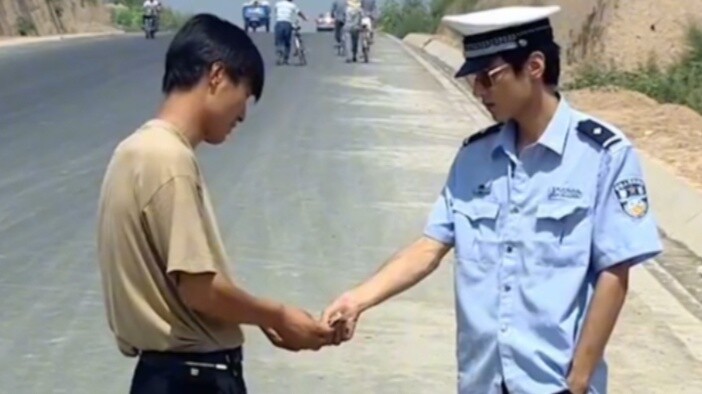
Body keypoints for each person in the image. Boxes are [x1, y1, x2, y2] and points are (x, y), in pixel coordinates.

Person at [321, 5, 663, 394]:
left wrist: (580, 379)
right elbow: (429, 247)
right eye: (472, 78)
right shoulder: (474, 158)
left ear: (534, 67)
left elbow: (614, 271)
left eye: (488, 77)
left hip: (554, 384)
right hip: (483, 380)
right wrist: (358, 300)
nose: (478, 91)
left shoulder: (603, 154)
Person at [96, 13, 333, 394]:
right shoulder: (169, 159)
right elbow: (199, 290)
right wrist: (277, 316)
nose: (242, 114)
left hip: (159, 374)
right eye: (246, 96)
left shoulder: (132, 151)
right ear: (218, 76)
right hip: (193, 378)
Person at [273, 0, 307, 65]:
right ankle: (286, 58)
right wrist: (305, 18)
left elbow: (276, 11)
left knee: (279, 41)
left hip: (279, 23)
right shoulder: (292, 5)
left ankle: (279, 55)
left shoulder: (278, 4)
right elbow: (299, 12)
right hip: (287, 24)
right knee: (287, 42)